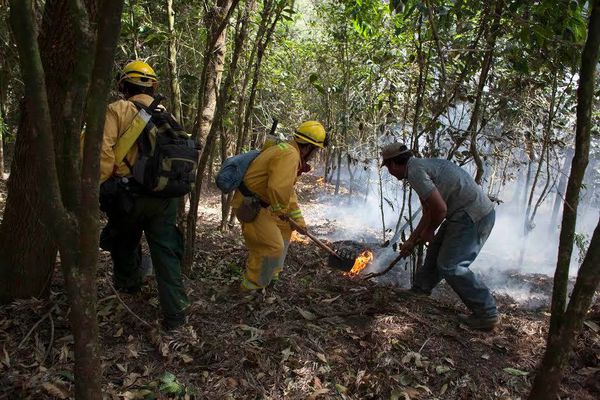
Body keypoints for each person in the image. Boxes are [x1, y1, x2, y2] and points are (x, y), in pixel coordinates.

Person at [98, 60, 189, 330]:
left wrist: (101, 185)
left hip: (128, 196)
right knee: (166, 253)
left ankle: (128, 293)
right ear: (153, 86)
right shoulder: (168, 116)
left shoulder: (118, 110)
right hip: (166, 198)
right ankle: (176, 316)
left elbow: (101, 151)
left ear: (123, 85)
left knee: (122, 241)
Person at [381, 142, 498, 330]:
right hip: (462, 214)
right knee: (436, 250)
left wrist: (428, 231)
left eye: (388, 168)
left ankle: (487, 313)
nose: (390, 173)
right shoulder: (420, 167)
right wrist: (412, 240)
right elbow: (429, 212)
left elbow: (440, 209)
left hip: (473, 215)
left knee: (451, 266)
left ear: (393, 164)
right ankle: (420, 289)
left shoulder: (416, 172)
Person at [232, 121, 327, 291]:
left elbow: (288, 191)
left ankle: (271, 274)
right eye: (316, 150)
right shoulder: (290, 155)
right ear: (308, 148)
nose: (315, 154)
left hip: (261, 203)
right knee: (271, 246)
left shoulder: (289, 151)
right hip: (251, 205)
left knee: (285, 227)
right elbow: (278, 188)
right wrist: (280, 210)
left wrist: (298, 220)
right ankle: (251, 287)